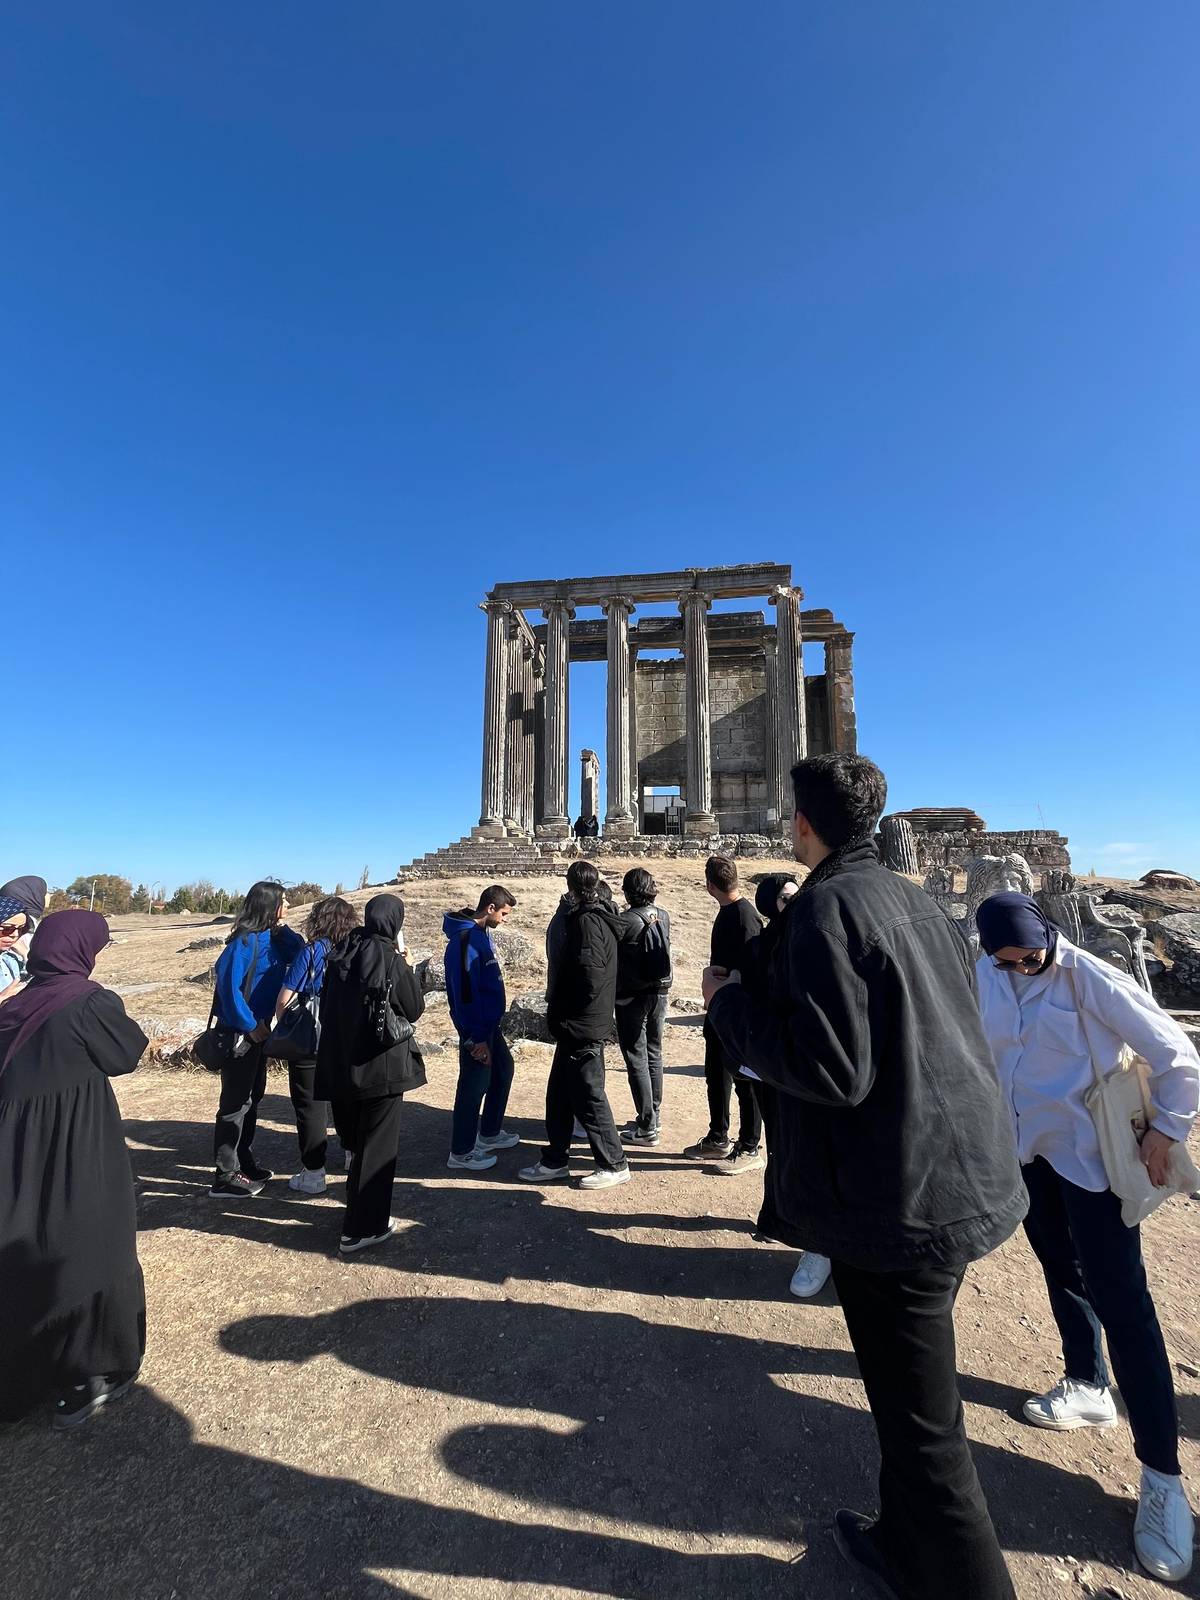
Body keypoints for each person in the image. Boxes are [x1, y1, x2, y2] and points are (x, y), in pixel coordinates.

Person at [704, 753, 1026, 1600]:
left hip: (901, 1203)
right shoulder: (912, 899)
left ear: (804, 824)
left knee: (930, 1438)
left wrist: (729, 1008)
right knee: (899, 1402)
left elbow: (831, 1067)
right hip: (947, 1172)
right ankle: (898, 1544)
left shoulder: (827, 911)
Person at [975, 891, 1198, 1584]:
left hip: (1093, 1160)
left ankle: (1163, 1479)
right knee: (1058, 1271)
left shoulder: (1091, 978)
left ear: (1047, 938)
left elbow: (1178, 1055)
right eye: (1006, 962)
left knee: (1126, 1305)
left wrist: (1168, 1129)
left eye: (1029, 960)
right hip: (1029, 1153)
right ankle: (1086, 1381)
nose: (1019, 970)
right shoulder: (986, 970)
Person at [0, 911, 148, 1429]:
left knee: (24, 1245)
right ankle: (91, 1373)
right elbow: (127, 1052)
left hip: (16, 1147)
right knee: (95, 1244)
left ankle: (22, 1374)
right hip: (77, 1143)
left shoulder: (15, 1001)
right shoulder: (89, 1002)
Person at [315, 894, 426, 1254]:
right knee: (377, 1149)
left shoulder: (341, 954)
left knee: (357, 1143)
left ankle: (357, 1209)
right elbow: (414, 1008)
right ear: (395, 921)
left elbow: (326, 1006)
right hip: (381, 1066)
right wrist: (406, 966)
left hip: (343, 1065)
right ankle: (363, 1227)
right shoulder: (390, 958)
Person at [743, 873, 831, 1299]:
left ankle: (823, 1244)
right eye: (784, 897)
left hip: (819, 1068)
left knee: (818, 1152)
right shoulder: (759, 949)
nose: (794, 902)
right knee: (782, 1146)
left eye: (799, 894)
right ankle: (793, 1227)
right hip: (773, 1065)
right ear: (768, 904)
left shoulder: (821, 938)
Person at [520, 859, 630, 1190]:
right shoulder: (591, 916)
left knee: (588, 1093)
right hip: (577, 1022)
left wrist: (569, 1011)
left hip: (582, 1023)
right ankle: (555, 1159)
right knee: (559, 1094)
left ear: (571, 887)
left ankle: (614, 1163)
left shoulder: (588, 921)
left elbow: (590, 976)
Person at [208, 881, 304, 1199]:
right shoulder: (244, 943)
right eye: (283, 901)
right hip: (241, 1034)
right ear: (269, 905)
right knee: (234, 1105)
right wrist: (249, 1025)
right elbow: (227, 988)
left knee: (253, 1099)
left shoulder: (271, 939)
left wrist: (281, 928)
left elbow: (300, 952)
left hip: (261, 1033)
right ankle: (225, 1176)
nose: (288, 904)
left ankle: (243, 1162)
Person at [273, 895, 360, 1196]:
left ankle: (313, 1172)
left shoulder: (311, 952)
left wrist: (286, 1023)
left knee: (309, 1106)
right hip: (347, 1038)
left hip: (312, 1039)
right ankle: (351, 1153)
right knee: (346, 1098)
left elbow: (285, 998)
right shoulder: (357, 949)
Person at [685, 855, 764, 1175]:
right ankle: (718, 1137)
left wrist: (727, 979)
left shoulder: (746, 916)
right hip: (719, 1010)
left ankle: (750, 1147)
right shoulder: (728, 911)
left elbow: (752, 969)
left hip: (739, 1012)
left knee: (745, 1081)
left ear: (709, 885)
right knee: (716, 1075)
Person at [443, 885, 519, 1172]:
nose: (504, 919)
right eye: (503, 913)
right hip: (476, 1029)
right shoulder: (464, 941)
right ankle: (461, 1151)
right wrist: (475, 1038)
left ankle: (488, 1133)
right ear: (490, 908)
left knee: (503, 1070)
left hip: (490, 1024)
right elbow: (464, 994)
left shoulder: (481, 936)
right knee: (473, 1086)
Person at [615, 867, 672, 1146]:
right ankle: (654, 1115)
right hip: (660, 991)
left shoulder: (624, 921)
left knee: (635, 1056)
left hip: (632, 995)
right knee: (654, 1053)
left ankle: (647, 1125)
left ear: (627, 891)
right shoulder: (664, 915)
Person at [0, 875, 47, 999]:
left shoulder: (11, 956)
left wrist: (26, 954)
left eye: (22, 929)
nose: (15, 935)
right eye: (7, 928)